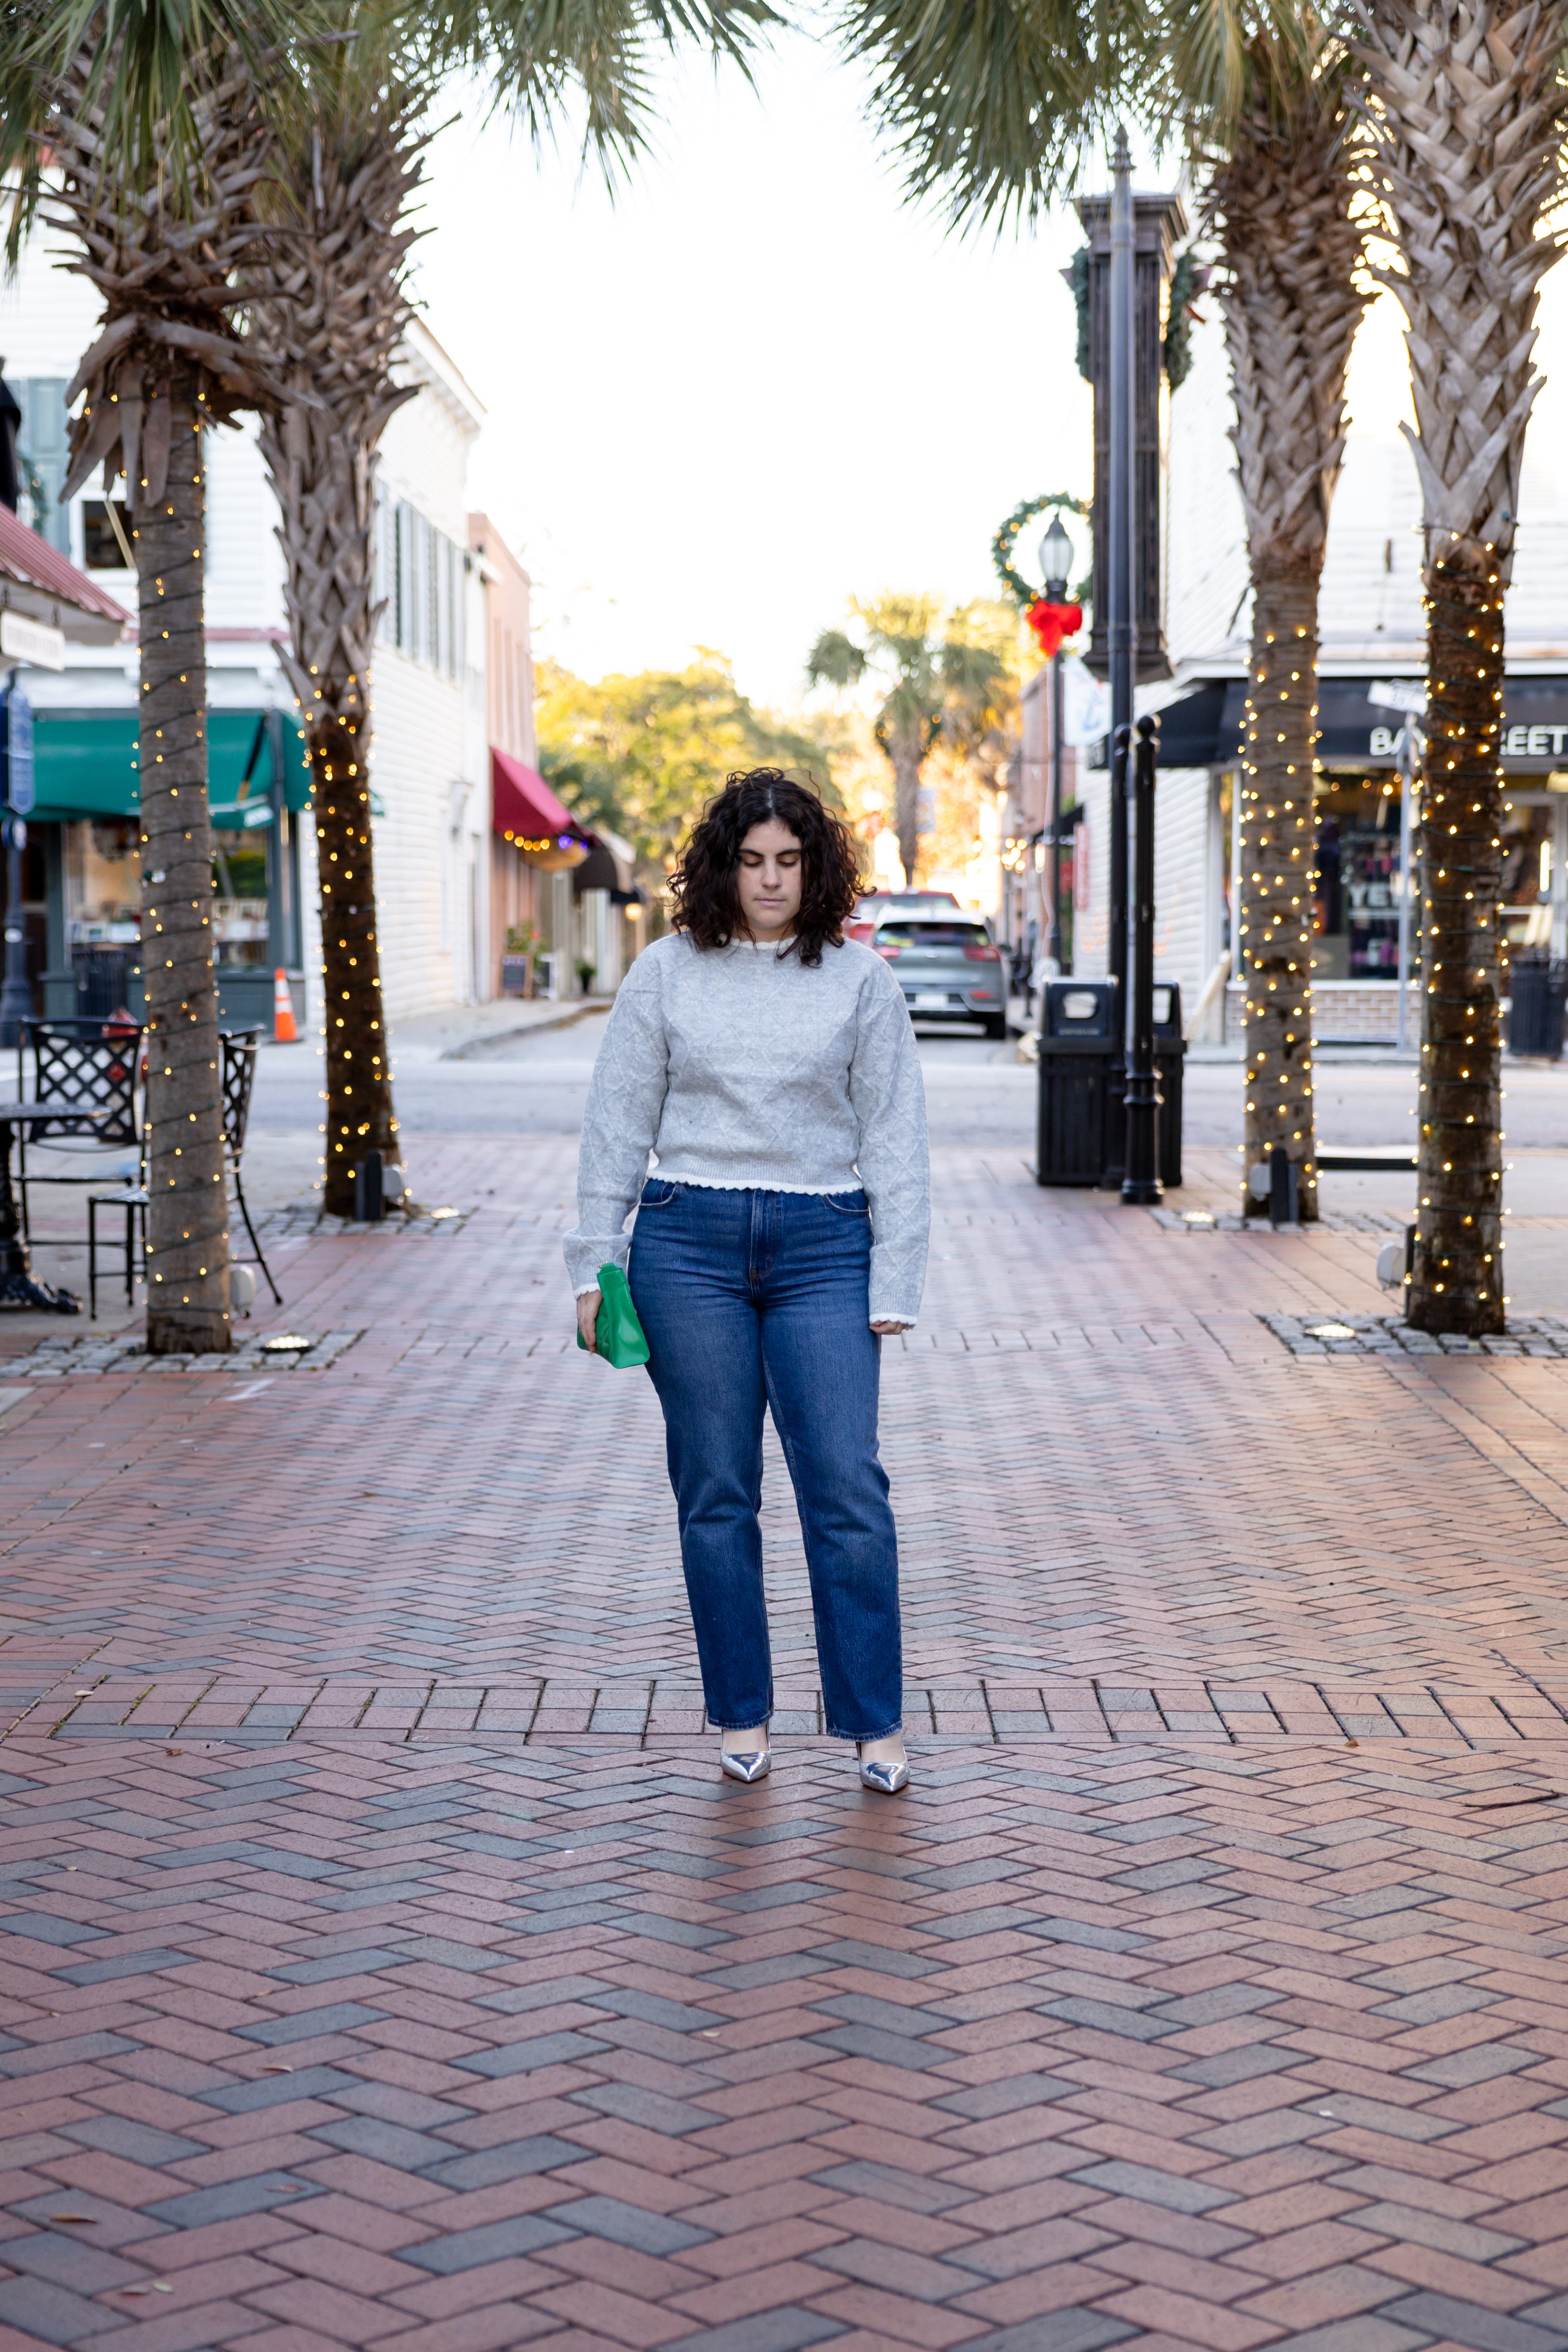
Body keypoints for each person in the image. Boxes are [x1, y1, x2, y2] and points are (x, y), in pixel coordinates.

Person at [565, 769, 929, 1792]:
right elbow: (615, 1127)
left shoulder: (861, 982)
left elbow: (895, 1137)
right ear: (720, 866)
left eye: (788, 860)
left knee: (846, 1487)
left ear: (814, 869)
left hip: (824, 1244)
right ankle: (739, 1710)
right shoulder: (665, 973)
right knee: (716, 1490)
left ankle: (872, 1722)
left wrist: (893, 1277)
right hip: (688, 1243)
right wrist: (593, 1262)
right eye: (751, 859)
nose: (769, 879)